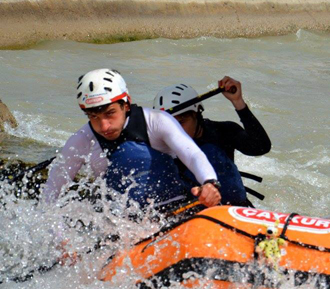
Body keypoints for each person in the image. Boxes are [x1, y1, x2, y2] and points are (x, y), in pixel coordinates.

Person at [42, 68, 221, 212]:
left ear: (126, 104)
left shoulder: (157, 121)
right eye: (93, 116)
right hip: (124, 224)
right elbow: (50, 193)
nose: (104, 126)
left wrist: (209, 182)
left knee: (132, 152)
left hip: (175, 209)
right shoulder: (80, 140)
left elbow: (192, 154)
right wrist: (62, 241)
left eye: (110, 113)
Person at [153, 76, 271, 206]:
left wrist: (238, 102)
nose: (175, 130)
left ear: (197, 113)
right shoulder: (160, 148)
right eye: (169, 124)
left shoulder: (223, 131)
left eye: (181, 122)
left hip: (235, 209)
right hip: (193, 215)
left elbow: (261, 147)